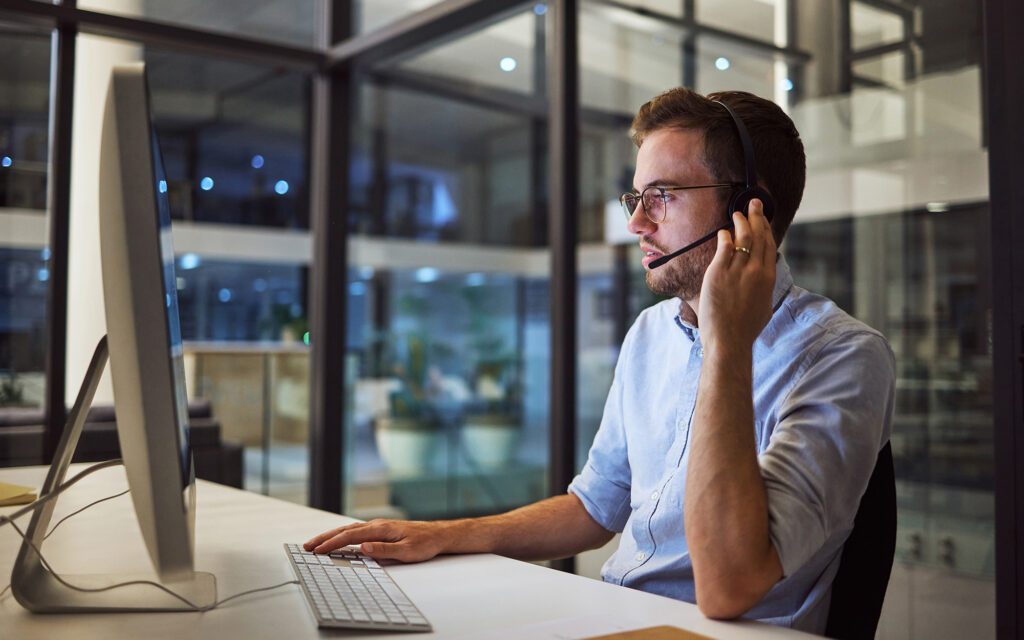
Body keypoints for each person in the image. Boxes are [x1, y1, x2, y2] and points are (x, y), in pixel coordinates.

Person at [305, 88, 896, 634]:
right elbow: (598, 504)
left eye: (662, 196)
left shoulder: (844, 357)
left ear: (750, 210)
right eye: (636, 197)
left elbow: (730, 586)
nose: (637, 222)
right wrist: (447, 536)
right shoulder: (650, 334)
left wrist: (727, 341)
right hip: (621, 614)